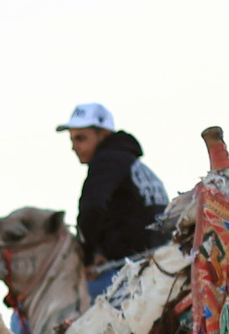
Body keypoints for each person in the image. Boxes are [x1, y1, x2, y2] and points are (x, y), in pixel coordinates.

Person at [62, 102, 167, 292]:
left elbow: (91, 209)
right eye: (72, 140)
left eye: (81, 138)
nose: (74, 147)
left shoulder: (107, 161)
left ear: (103, 135)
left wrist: (87, 258)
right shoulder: (133, 164)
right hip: (160, 263)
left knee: (59, 303)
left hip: (128, 270)